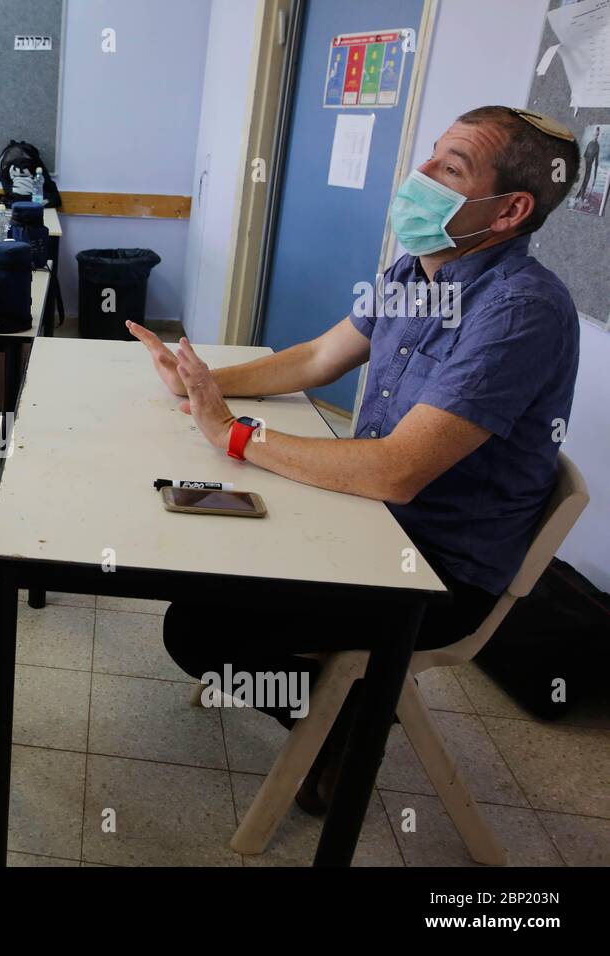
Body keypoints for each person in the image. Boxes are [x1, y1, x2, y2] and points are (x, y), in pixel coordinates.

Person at [131, 106, 582, 813]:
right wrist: (205, 381)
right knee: (206, 550)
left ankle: (349, 721)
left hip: (434, 569)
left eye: (450, 167)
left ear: (510, 210)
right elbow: (318, 356)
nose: (420, 175)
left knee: (199, 627)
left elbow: (397, 470)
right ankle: (343, 710)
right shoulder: (414, 267)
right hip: (369, 519)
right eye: (431, 155)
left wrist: (235, 435)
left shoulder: (521, 310)